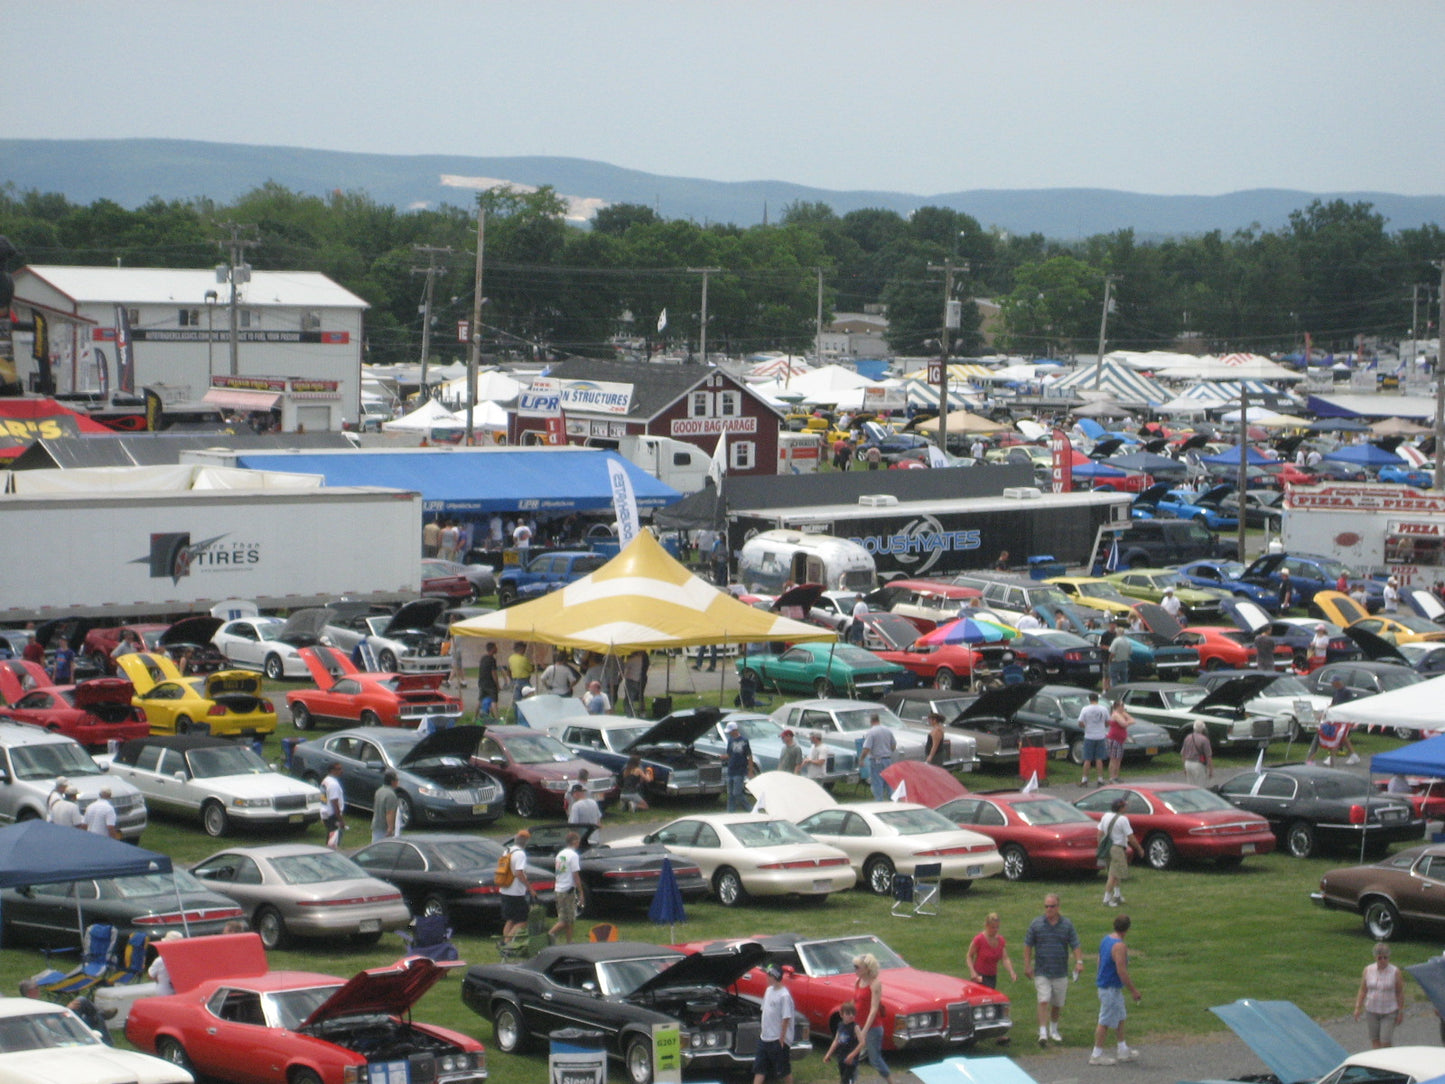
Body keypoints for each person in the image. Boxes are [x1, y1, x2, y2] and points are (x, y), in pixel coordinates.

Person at [1023, 894, 1084, 1047]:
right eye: (1046, 906)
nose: (1049, 909)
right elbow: (1028, 945)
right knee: (1043, 1000)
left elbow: (1075, 944)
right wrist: (1027, 965)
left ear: (1058, 907)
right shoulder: (1036, 924)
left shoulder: (1067, 925)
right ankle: (1043, 1032)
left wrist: (1079, 961)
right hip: (1042, 970)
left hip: (1060, 971)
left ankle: (1054, 1029)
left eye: (1052, 906)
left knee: (1057, 1003)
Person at [1090, 914, 1142, 1065]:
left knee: (1120, 1016)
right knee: (1105, 1021)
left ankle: (1122, 1049)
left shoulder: (1106, 940)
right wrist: (1133, 990)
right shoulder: (1120, 946)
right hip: (1110, 988)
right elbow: (1122, 970)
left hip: (1109, 986)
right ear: (1127, 929)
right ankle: (1096, 1054)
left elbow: (1099, 960)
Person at [19, 978, 115, 1046]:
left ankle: (101, 1017)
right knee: (82, 1001)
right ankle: (107, 1041)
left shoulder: (37, 1003)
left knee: (93, 1015)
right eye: (36, 988)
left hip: (60, 1022)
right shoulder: (29, 1006)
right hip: (59, 1029)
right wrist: (67, 1009)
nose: (38, 990)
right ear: (30, 991)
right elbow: (48, 1024)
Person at [845, 954, 894, 1084]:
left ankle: (890, 1081)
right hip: (857, 1024)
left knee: (874, 1059)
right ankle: (851, 1080)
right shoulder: (858, 982)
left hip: (872, 1027)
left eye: (857, 967)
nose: (855, 970)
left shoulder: (875, 984)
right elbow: (856, 1001)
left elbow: (873, 1010)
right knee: (852, 1056)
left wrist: (864, 1030)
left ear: (867, 968)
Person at [1353, 941, 1405, 1048]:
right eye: (1380, 958)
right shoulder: (1368, 970)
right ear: (1375, 958)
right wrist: (1358, 1007)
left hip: (1389, 1011)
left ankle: (1388, 1061)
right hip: (1372, 1010)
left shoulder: (1395, 972)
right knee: (1375, 1040)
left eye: (1385, 958)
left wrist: (1400, 1011)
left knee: (1385, 1041)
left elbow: (1399, 992)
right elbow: (1363, 990)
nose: (1383, 961)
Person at [753, 963, 797, 1084]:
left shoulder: (784, 996)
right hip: (765, 1038)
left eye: (769, 976)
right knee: (759, 1069)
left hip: (777, 1039)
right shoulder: (768, 991)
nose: (766, 978)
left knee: (783, 1071)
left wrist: (782, 1038)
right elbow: (765, 1011)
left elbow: (786, 1017)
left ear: (775, 977)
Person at [1098, 796, 1141, 907]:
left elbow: (1099, 833)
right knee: (1113, 875)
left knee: (1115, 873)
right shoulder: (1123, 819)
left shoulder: (1105, 816)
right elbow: (1130, 837)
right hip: (1117, 848)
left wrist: (1100, 846)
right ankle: (1107, 899)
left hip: (1107, 848)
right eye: (1124, 806)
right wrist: (1139, 849)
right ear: (1120, 808)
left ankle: (1117, 895)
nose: (1126, 807)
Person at [549, 830, 585, 944]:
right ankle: (550, 934)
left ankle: (569, 941)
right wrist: (581, 892)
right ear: (574, 842)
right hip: (567, 890)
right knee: (565, 920)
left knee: (570, 918)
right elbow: (575, 875)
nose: (579, 843)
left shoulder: (561, 854)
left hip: (559, 888)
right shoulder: (573, 855)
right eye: (578, 840)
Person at [967, 912, 1018, 992]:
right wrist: (972, 972)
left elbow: (1005, 958)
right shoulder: (979, 939)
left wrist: (1011, 971)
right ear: (987, 926)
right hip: (980, 976)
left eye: (997, 927)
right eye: (993, 927)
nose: (995, 930)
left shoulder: (1000, 940)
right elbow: (969, 956)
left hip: (992, 976)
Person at [500, 829, 534, 941]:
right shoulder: (520, 854)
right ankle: (507, 943)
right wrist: (530, 888)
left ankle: (505, 943)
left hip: (504, 889)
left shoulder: (507, 851)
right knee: (522, 920)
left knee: (510, 919)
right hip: (515, 892)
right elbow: (519, 872)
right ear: (525, 841)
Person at [859, 713, 897, 802]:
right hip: (887, 759)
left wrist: (861, 758)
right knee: (889, 781)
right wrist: (888, 751)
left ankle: (879, 801)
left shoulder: (871, 732)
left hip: (877, 760)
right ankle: (892, 800)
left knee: (877, 782)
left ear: (871, 721)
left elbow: (867, 748)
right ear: (878, 720)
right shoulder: (887, 730)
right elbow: (894, 745)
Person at [1077, 692, 1110, 788]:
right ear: (1097, 699)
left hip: (1089, 736)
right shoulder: (1103, 709)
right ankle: (1100, 779)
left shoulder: (1085, 709)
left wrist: (1086, 726)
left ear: (1090, 699)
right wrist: (1102, 726)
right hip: (1100, 736)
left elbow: (1080, 722)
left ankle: (1084, 780)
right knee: (1099, 759)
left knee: (1087, 759)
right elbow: (1108, 722)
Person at [823, 1001, 859, 1084]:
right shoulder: (840, 1026)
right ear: (841, 1014)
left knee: (846, 1079)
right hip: (841, 1056)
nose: (851, 1016)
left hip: (851, 1058)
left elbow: (862, 1043)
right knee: (843, 1076)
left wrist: (852, 1055)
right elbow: (836, 1041)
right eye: (848, 1013)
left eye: (853, 1014)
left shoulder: (855, 1027)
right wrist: (828, 1054)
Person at [724, 720, 755, 812]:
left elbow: (749, 756)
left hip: (740, 770)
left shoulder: (744, 741)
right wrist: (723, 757)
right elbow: (729, 754)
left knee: (737, 793)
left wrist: (750, 770)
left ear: (735, 730)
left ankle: (750, 809)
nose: (729, 733)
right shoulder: (730, 740)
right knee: (730, 794)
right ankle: (730, 812)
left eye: (730, 731)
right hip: (731, 769)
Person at [1105, 699, 1133, 785]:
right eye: (1122, 706)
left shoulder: (1121, 714)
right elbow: (1123, 724)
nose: (1123, 708)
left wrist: (1125, 715)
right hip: (1114, 739)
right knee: (1114, 759)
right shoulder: (1116, 715)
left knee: (1118, 759)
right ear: (1117, 707)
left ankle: (1116, 776)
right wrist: (1127, 721)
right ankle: (1111, 777)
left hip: (1120, 740)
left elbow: (1132, 720)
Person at [148, 930, 184, 994]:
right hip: (182, 991)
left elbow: (150, 976)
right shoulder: (183, 958)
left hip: (164, 992)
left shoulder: (159, 960)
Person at [1180, 720, 1214, 785]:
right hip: (1198, 764)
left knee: (1190, 785)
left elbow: (1183, 754)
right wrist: (1211, 771)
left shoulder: (1188, 737)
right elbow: (1208, 756)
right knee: (1200, 786)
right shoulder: (1204, 740)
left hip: (1188, 763)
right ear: (1203, 729)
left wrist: (1184, 767)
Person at [371, 770, 401, 842]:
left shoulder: (379, 791)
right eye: (397, 780)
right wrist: (390, 828)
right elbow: (389, 813)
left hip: (376, 825)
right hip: (384, 829)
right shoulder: (391, 795)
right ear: (392, 781)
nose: (398, 782)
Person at [322, 762, 346, 848]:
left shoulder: (326, 781)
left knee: (330, 839)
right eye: (339, 769)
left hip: (326, 813)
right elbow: (335, 803)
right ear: (332, 770)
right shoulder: (333, 784)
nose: (341, 771)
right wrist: (340, 819)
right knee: (333, 843)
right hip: (333, 816)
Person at [476, 642, 503, 716]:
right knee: (494, 701)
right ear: (493, 649)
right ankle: (497, 718)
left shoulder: (483, 658)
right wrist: (497, 685)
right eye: (496, 647)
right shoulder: (492, 659)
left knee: (480, 700)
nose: (497, 649)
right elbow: (493, 673)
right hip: (490, 684)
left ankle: (475, 717)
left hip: (482, 683)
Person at [1106, 625, 1132, 690]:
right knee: (1124, 679)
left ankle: (1114, 692)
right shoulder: (1128, 641)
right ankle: (1125, 691)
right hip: (1124, 662)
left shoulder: (1116, 641)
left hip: (1115, 661)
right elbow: (1130, 653)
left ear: (1117, 633)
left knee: (1114, 678)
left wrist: (1109, 660)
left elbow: (1112, 653)